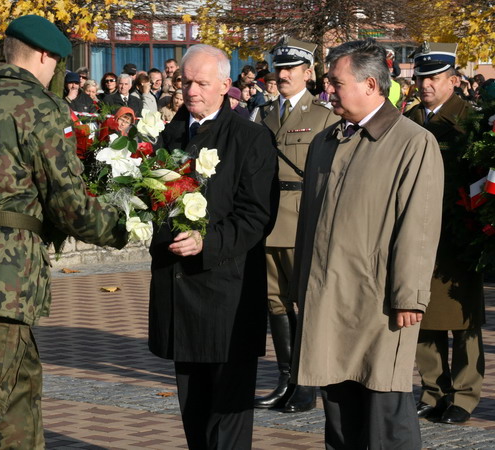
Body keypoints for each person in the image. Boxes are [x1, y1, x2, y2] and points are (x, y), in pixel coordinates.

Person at [0, 15, 127, 448]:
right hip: (1, 267)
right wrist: (118, 227)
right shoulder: (38, 105)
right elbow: (67, 199)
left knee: (20, 381)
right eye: (56, 63)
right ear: (43, 56)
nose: (55, 74)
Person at [291, 39, 443, 448]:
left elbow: (420, 225)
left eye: (336, 82)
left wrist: (409, 295)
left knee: (385, 415)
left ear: (370, 84)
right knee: (339, 415)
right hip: (327, 298)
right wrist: (299, 284)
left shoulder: (412, 142)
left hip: (379, 304)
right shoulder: (325, 142)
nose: (328, 90)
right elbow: (309, 224)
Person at [149, 43, 278, 449]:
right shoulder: (168, 135)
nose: (191, 91)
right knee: (194, 408)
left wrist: (207, 242)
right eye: (185, 82)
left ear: (226, 85)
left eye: (201, 83)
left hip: (228, 293)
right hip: (179, 291)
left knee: (229, 413)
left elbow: (257, 215)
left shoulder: (251, 137)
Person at [253, 38, 338, 413]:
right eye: (279, 67)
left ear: (309, 73)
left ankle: (308, 383)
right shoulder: (264, 114)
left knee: (305, 304)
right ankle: (286, 378)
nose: (282, 74)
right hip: (268, 219)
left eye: (291, 69)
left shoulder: (323, 117)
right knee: (274, 303)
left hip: (303, 218)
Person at [406, 42, 485, 425]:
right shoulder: (408, 119)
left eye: (434, 78)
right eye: (421, 77)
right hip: (417, 232)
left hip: (458, 232)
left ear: (453, 80)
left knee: (463, 317)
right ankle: (432, 390)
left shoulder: (470, 120)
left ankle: (465, 394)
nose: (425, 84)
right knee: (420, 311)